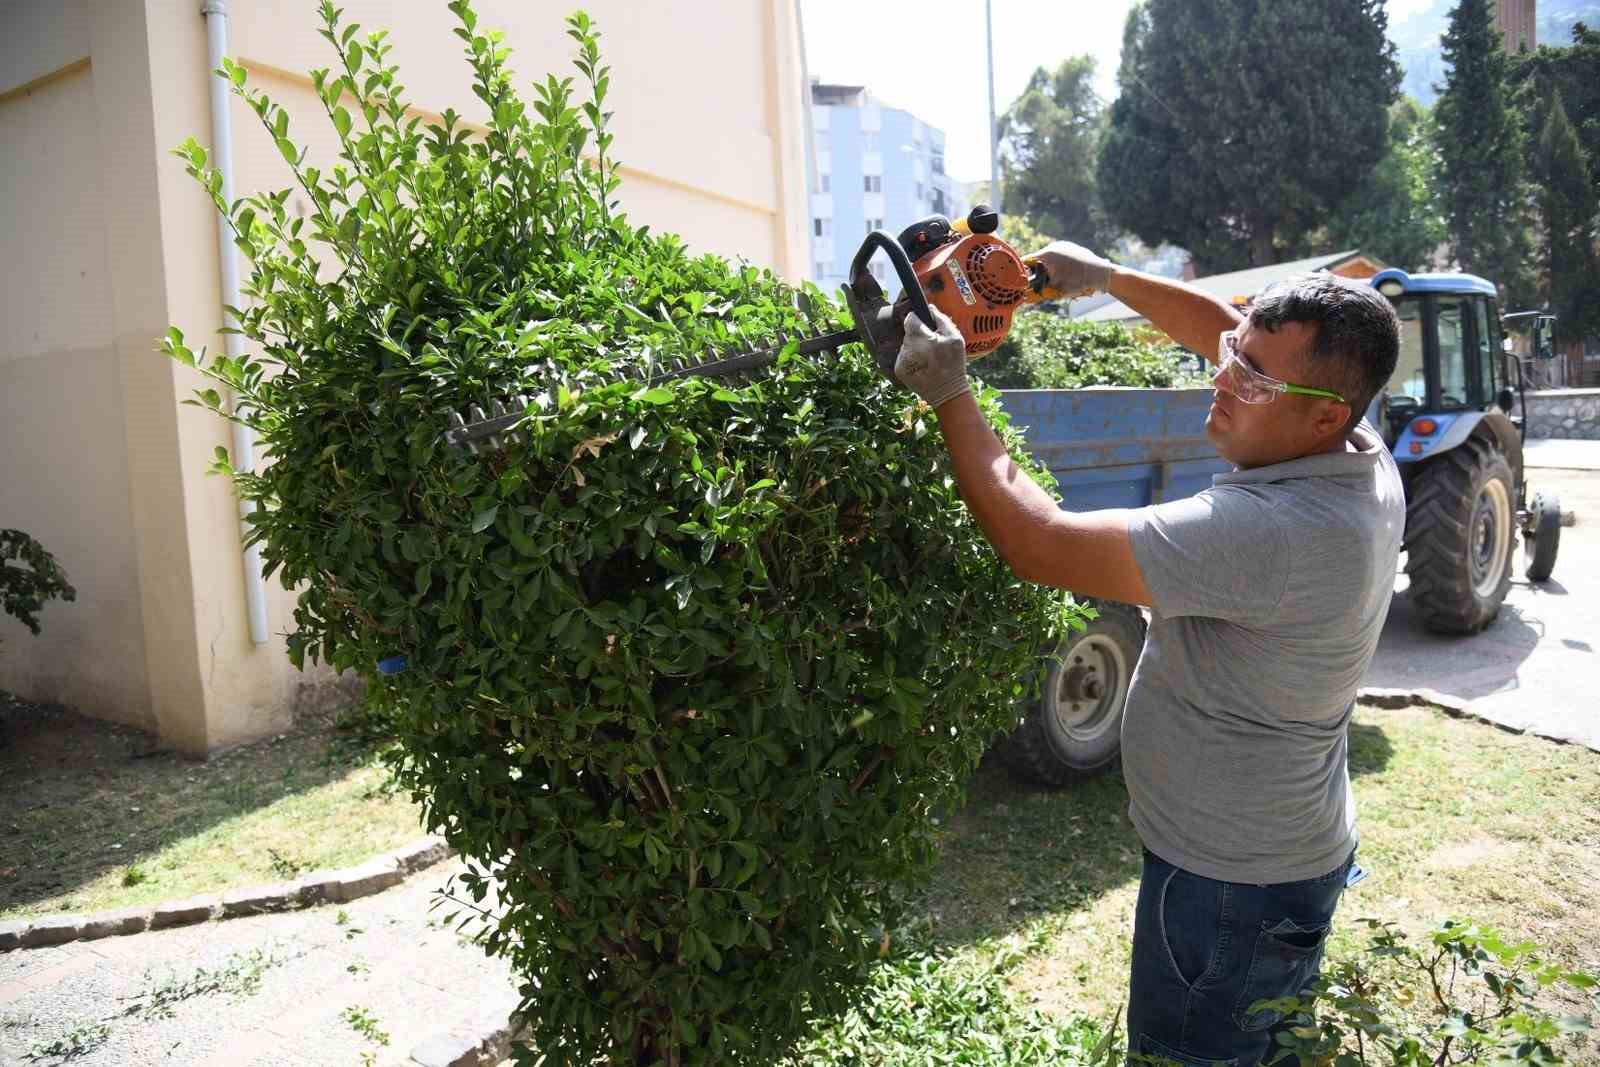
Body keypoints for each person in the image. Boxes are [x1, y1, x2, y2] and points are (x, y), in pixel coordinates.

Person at [894, 241, 1404, 1067]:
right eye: (1237, 358)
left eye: (1253, 379)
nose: (1223, 376)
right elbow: (1227, 332)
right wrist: (1110, 279)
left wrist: (950, 391)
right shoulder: (1351, 442)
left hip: (1230, 883)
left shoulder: (1273, 533)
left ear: (1321, 416)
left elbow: (1039, 540)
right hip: (1274, 851)